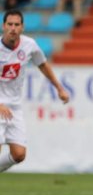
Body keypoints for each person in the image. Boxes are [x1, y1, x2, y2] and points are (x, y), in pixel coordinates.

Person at [0, 9, 69, 172]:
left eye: (16, 25)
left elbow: (43, 65)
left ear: (22, 27)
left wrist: (59, 88)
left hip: (14, 108)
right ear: (3, 26)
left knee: (19, 155)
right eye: (10, 24)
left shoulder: (29, 45)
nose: (13, 28)